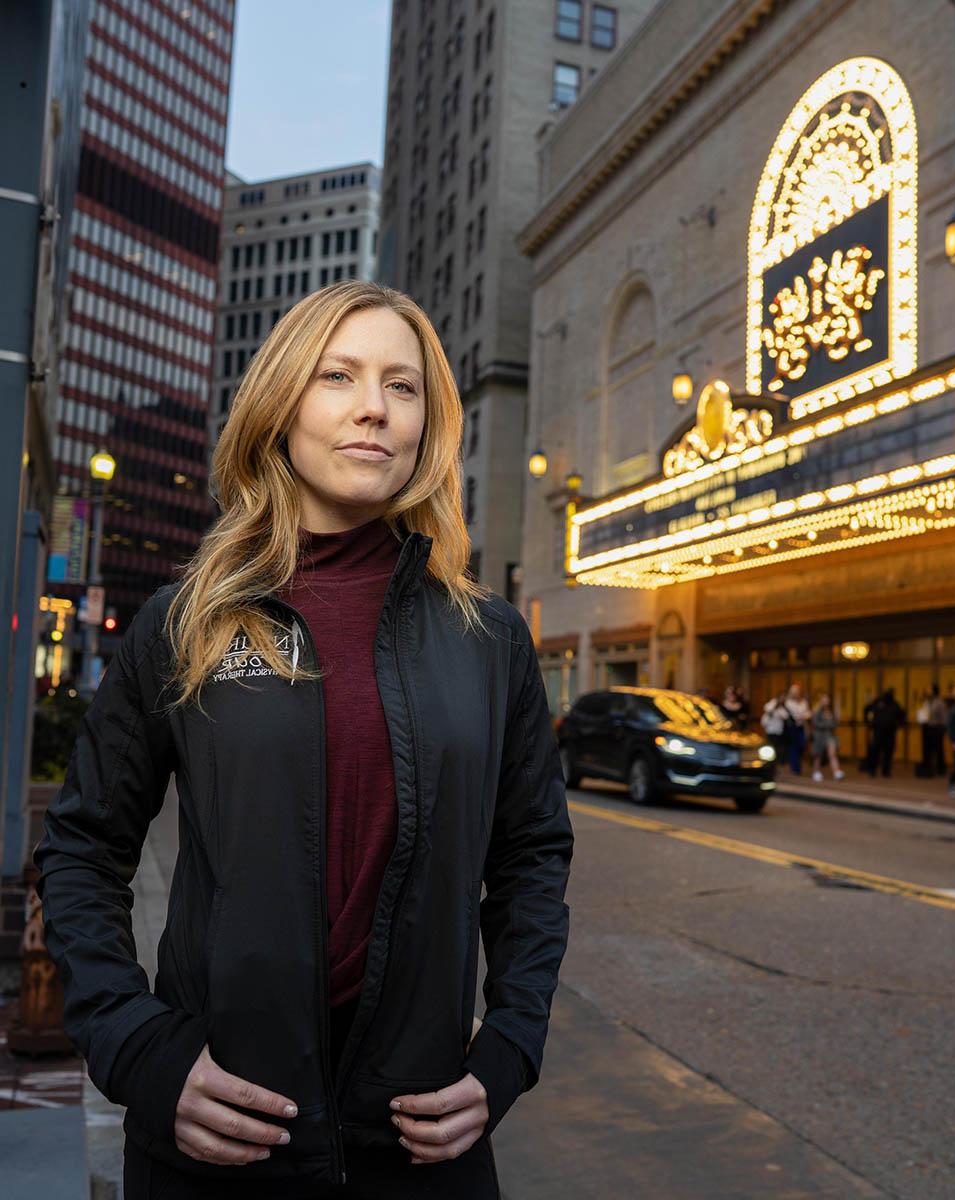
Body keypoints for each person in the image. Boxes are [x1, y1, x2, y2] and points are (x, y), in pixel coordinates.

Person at [34, 283, 573, 1199]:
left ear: (427, 427)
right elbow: (82, 851)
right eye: (340, 376)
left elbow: (531, 860)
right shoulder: (188, 621)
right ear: (282, 404)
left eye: (404, 387)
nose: (375, 406)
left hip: (421, 1148)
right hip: (218, 1139)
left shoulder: (489, 637)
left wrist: (509, 1050)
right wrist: (140, 1050)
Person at [863, 688, 905, 778]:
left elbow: (902, 715)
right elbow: (867, 710)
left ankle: (886, 771)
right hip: (878, 732)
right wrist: (869, 723)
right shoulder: (878, 702)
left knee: (888, 753)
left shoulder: (895, 704)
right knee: (875, 751)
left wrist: (899, 725)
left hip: (890, 733)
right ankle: (872, 770)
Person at [809, 694, 844, 782]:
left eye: (827, 700)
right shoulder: (817, 711)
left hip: (830, 736)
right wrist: (828, 724)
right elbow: (815, 723)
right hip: (819, 736)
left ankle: (836, 772)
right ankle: (816, 772)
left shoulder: (830, 712)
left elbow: (836, 722)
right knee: (818, 755)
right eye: (824, 700)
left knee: (832, 753)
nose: (826, 702)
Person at [783, 684, 811, 775]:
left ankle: (797, 765)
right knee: (794, 746)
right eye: (794, 692)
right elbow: (788, 715)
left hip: (801, 726)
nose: (795, 693)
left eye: (797, 691)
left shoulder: (803, 702)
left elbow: (807, 713)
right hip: (792, 727)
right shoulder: (788, 703)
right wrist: (800, 717)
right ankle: (795, 767)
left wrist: (804, 717)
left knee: (801, 745)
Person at [761, 691, 791, 764]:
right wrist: (775, 706)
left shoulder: (783, 707)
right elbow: (767, 708)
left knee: (777, 747)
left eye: (784, 698)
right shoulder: (773, 703)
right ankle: (768, 762)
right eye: (781, 697)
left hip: (778, 730)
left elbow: (786, 716)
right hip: (770, 729)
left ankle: (775, 762)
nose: (782, 699)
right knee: (769, 747)